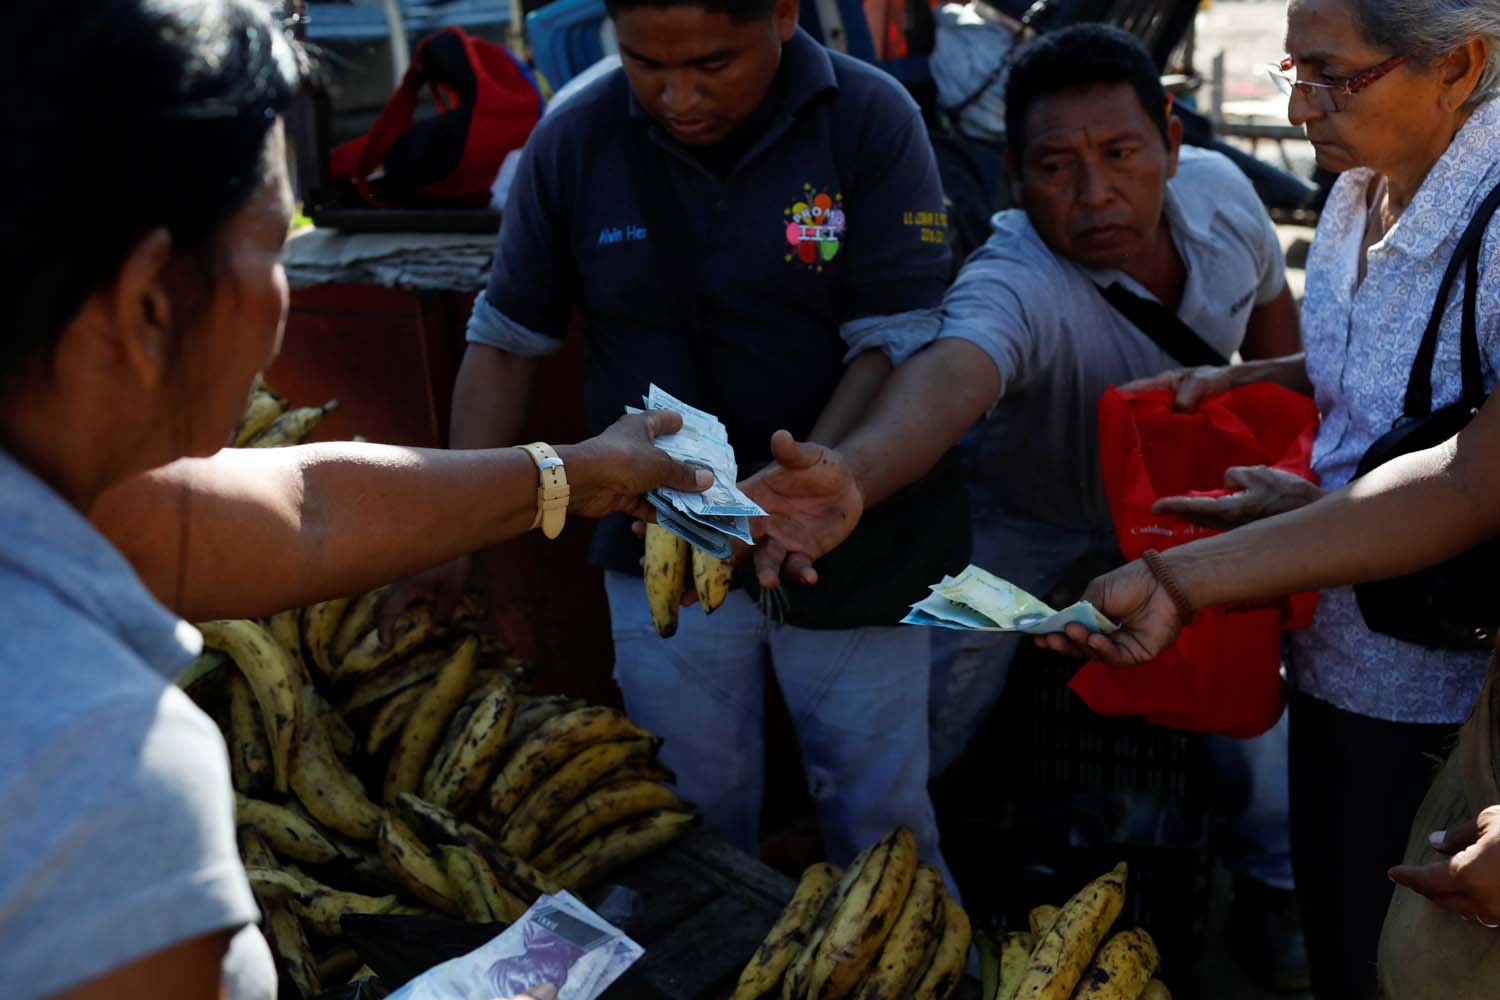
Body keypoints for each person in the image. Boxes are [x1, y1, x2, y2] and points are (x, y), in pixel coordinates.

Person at [0, 3, 712, 997]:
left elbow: (304, 509)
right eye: (276, 241)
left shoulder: (61, 494)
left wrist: (581, 469)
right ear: (152, 297)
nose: (284, 294)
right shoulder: (100, 771)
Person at [384, 0, 966, 880]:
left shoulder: (871, 118)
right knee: (687, 808)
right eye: (646, 63)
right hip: (659, 535)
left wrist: (803, 486)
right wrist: (452, 526)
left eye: (712, 64)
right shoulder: (574, 138)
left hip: (857, 533)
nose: (678, 97)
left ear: (781, 13)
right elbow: (505, 344)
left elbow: (896, 340)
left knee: (878, 809)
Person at [1078, 1, 1500, 994]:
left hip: (1443, 705)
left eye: (1329, 74)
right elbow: (1405, 375)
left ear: (1457, 65)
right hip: (1330, 654)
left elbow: (1469, 479)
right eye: (1290, 70)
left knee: (1407, 963)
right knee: (1339, 923)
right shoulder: (1362, 189)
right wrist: (1260, 385)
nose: (1301, 103)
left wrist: (1190, 576)